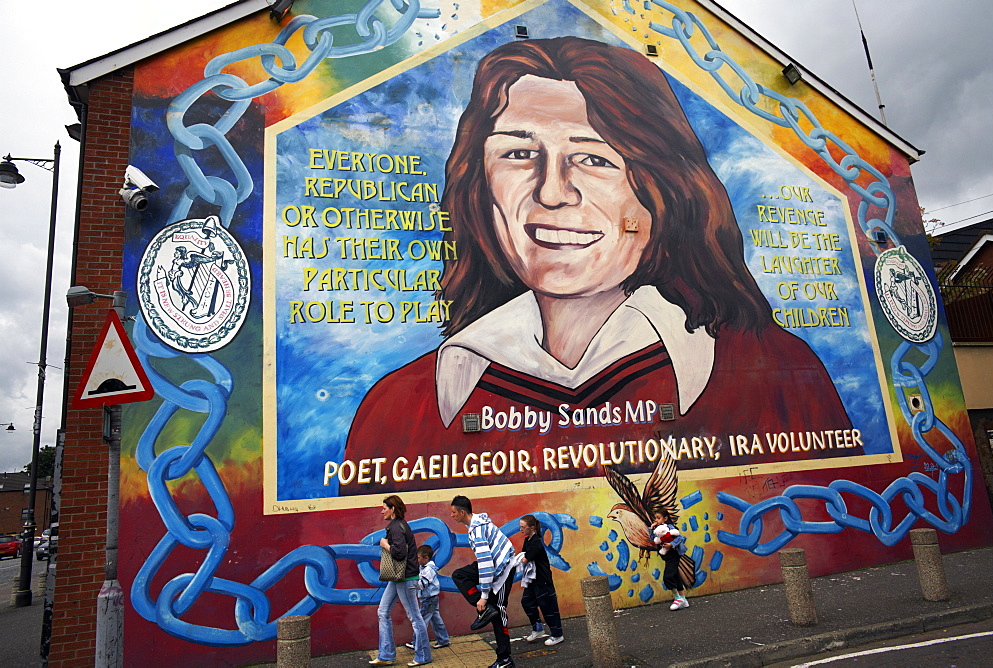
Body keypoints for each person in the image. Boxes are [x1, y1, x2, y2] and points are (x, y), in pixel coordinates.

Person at [347, 37, 852, 489]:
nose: (552, 192)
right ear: (480, 187)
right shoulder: (400, 409)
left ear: (663, 189)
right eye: (519, 154)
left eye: (594, 159)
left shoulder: (770, 373)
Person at [449, 495, 517, 668]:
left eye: (453, 512)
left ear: (462, 512)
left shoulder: (477, 531)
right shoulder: (475, 524)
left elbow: (486, 562)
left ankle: (505, 660)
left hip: (502, 570)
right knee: (460, 575)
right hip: (496, 565)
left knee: (499, 613)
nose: (452, 515)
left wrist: (484, 595)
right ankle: (487, 610)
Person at [369, 495, 432, 667]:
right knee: (383, 611)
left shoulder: (396, 528)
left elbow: (399, 554)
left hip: (405, 578)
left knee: (414, 617)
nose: (382, 511)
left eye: (384, 508)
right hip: (399, 577)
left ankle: (423, 656)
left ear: (393, 509)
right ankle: (386, 655)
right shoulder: (401, 525)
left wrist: (384, 544)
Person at [518, 515, 564, 646]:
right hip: (532, 579)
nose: (521, 529)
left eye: (523, 527)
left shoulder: (536, 542)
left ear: (531, 528)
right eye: (520, 527)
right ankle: (537, 627)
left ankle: (557, 634)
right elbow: (523, 555)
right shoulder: (528, 540)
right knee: (527, 602)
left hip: (542, 580)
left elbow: (525, 558)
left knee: (548, 606)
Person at [405, 545, 451, 651]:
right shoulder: (424, 568)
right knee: (435, 619)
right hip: (431, 598)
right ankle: (443, 640)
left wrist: (411, 582)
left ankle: (417, 642)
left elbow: (422, 584)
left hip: (428, 598)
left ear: (426, 558)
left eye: (418, 557)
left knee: (421, 621)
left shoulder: (428, 570)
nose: (417, 560)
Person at [652, 508, 690, 611]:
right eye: (655, 518)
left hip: (674, 554)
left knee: (668, 576)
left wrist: (671, 544)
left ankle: (677, 598)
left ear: (665, 518)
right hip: (667, 556)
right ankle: (683, 599)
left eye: (659, 518)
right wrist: (652, 529)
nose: (656, 520)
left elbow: (680, 538)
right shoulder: (658, 528)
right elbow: (654, 540)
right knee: (676, 576)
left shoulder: (669, 528)